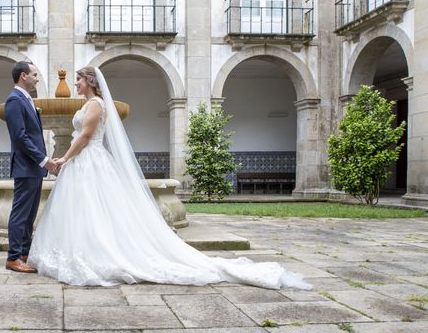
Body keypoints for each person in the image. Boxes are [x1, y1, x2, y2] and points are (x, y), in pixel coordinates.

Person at [27, 66, 311, 289]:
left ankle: (97, 254)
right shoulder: (88, 104)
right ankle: (80, 251)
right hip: (83, 164)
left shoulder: (97, 105)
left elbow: (87, 137)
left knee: (95, 208)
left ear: (89, 81)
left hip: (90, 162)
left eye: (78, 79)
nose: (75, 84)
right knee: (82, 210)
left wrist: (63, 158)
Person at [4, 61, 58, 273]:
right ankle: (13, 257)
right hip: (26, 167)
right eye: (34, 74)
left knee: (29, 214)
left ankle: (24, 254)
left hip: (33, 168)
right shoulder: (14, 100)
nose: (37, 78)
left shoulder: (26, 100)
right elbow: (20, 138)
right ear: (23, 76)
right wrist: (44, 160)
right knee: (20, 214)